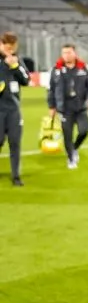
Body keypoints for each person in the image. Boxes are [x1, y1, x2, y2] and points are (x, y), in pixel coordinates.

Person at [47, 44, 88, 169]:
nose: (66, 55)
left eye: (69, 52)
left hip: (81, 107)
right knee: (67, 135)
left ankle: (75, 148)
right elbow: (50, 89)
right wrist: (51, 106)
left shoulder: (84, 68)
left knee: (84, 131)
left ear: (75, 53)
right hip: (64, 108)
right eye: (64, 53)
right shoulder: (56, 69)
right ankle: (71, 159)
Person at [0, 32, 30, 187]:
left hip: (13, 110)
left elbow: (26, 80)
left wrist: (15, 66)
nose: (9, 50)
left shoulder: (17, 61)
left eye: (12, 48)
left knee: (15, 143)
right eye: (6, 47)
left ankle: (16, 176)